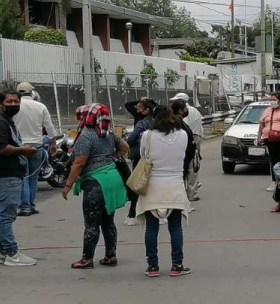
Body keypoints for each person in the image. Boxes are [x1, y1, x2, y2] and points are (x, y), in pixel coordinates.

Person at [61, 104, 130, 269]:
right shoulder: (109, 134)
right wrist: (109, 158)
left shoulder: (87, 136)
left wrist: (68, 185)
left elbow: (79, 163)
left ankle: (87, 259)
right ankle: (110, 255)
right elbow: (125, 148)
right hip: (112, 178)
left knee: (91, 222)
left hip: (96, 182)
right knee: (108, 221)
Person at [135, 106, 192, 277]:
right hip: (175, 184)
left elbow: (142, 155)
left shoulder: (148, 136)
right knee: (175, 227)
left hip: (153, 185)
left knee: (151, 227)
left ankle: (152, 266)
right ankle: (177, 265)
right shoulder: (182, 135)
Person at [0, 89, 38, 267]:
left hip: (7, 173)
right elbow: (1, 148)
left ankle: (1, 252)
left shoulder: (6, 121)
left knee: (1, 214)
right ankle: (12, 253)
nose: (14, 105)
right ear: (0, 103)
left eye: (16, 102)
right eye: (9, 102)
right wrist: (23, 150)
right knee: (6, 215)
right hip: (5, 174)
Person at [13, 82, 57, 216]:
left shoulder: (14, 106)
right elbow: (50, 129)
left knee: (23, 178)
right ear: (32, 93)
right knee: (33, 178)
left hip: (19, 148)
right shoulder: (41, 107)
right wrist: (53, 143)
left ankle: (25, 207)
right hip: (37, 147)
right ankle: (31, 206)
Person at [124, 98, 156, 226]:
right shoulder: (159, 122)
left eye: (139, 108)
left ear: (147, 110)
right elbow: (128, 103)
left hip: (140, 156)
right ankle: (158, 212)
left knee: (137, 183)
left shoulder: (141, 123)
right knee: (153, 183)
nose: (137, 110)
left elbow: (131, 139)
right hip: (155, 155)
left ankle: (132, 214)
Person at [170, 92, 203, 202]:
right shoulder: (195, 110)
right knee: (193, 166)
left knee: (187, 167)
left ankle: (188, 193)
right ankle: (192, 191)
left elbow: (183, 127)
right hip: (196, 137)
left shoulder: (182, 117)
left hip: (189, 138)